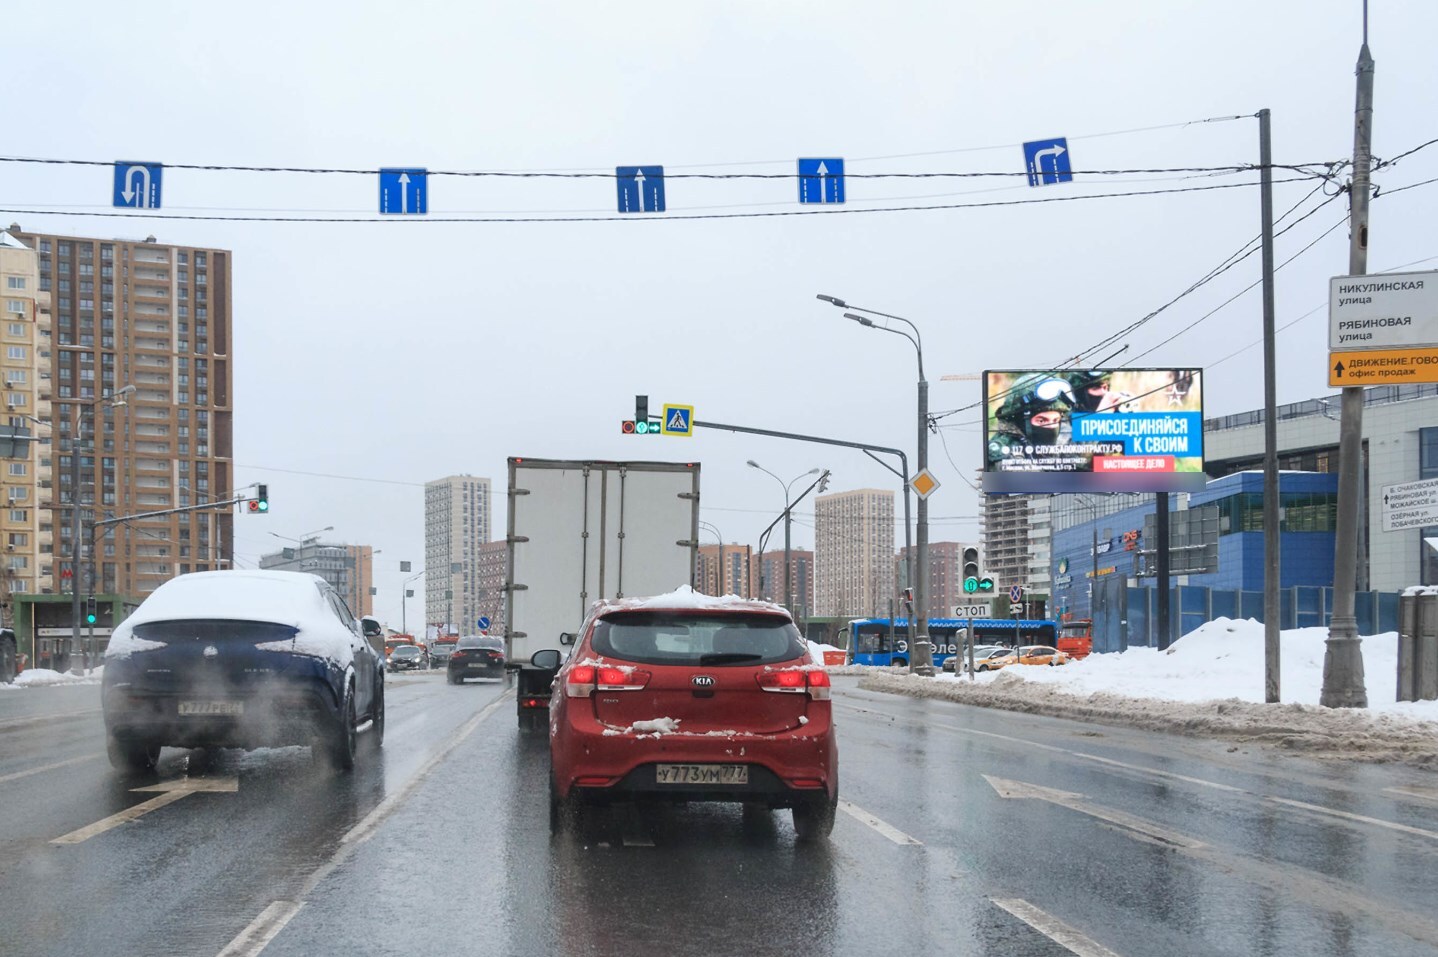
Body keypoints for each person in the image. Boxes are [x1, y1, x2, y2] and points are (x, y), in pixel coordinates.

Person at [987, 375, 1074, 464]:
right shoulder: (1006, 457)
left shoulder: (1062, 444)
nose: (1051, 427)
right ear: (1020, 419)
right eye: (1042, 421)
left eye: (1055, 420)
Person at [1066, 369, 1132, 413]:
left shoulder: (1113, 410)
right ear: (1080, 394)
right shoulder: (1068, 417)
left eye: (1105, 387)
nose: (1103, 392)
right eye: (1095, 388)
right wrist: (1101, 416)